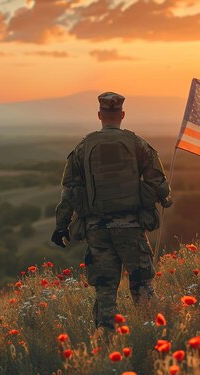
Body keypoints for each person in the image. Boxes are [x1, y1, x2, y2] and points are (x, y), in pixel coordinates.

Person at [51, 91, 172, 332]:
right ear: (122, 115)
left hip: (97, 230)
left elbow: (70, 190)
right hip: (131, 227)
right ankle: (156, 338)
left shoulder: (83, 147)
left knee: (105, 291)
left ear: (99, 115)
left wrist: (61, 225)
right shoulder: (137, 144)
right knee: (142, 287)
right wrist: (161, 198)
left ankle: (106, 344)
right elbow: (157, 181)